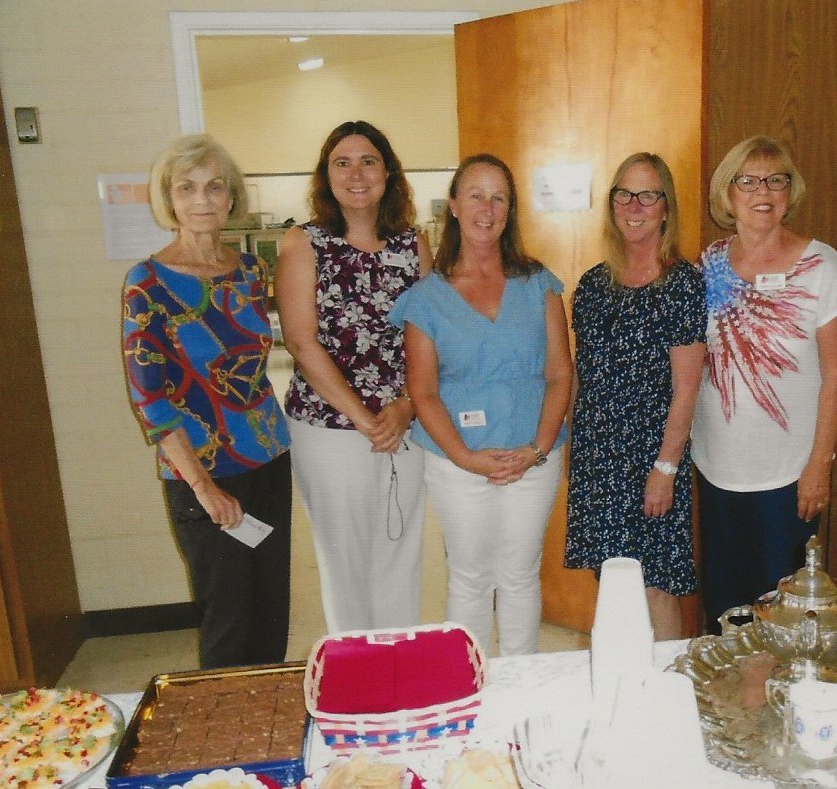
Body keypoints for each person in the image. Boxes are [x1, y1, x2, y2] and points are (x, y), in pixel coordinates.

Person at [390, 154, 572, 656]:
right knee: (470, 577)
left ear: (510, 210)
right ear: (453, 205)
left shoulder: (539, 284)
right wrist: (466, 458)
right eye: (475, 195)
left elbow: (560, 374)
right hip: (456, 462)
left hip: (533, 457)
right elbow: (423, 391)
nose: (486, 209)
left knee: (519, 575)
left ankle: (520, 682)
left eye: (499, 198)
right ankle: (468, 681)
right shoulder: (426, 298)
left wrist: (537, 450)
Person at [122, 134, 292, 669]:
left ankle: (270, 713)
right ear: (168, 199)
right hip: (201, 472)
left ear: (231, 196)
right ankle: (223, 720)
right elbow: (150, 400)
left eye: (214, 186)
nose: (202, 200)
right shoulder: (146, 283)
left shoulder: (249, 271)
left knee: (271, 612)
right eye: (187, 188)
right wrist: (203, 487)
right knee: (228, 622)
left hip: (268, 461)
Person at [692, 136, 837, 633]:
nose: (762, 192)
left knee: (781, 612)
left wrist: (819, 467)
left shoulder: (822, 266)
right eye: (747, 181)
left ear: (790, 191)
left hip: (788, 474)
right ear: (728, 193)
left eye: (775, 180)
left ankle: (777, 684)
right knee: (725, 605)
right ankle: (731, 682)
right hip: (717, 466)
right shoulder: (709, 265)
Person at [274, 120, 432, 634]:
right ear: (326, 176)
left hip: (403, 423)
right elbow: (302, 342)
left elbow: (430, 336)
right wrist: (365, 419)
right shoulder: (304, 243)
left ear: (389, 173)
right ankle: (357, 667)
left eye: (368, 161)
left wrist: (407, 404)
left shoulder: (413, 245)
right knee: (346, 561)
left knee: (400, 551)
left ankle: (398, 659)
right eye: (342, 163)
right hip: (329, 428)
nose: (356, 174)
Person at [564, 153, 707, 642]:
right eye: (624, 194)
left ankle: (665, 682)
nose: (634, 205)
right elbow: (582, 374)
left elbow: (687, 388)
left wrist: (665, 469)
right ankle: (620, 676)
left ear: (666, 208)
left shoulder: (682, 284)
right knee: (612, 581)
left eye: (648, 195)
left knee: (655, 585)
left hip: (652, 455)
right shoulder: (592, 285)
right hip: (599, 454)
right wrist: (574, 446)